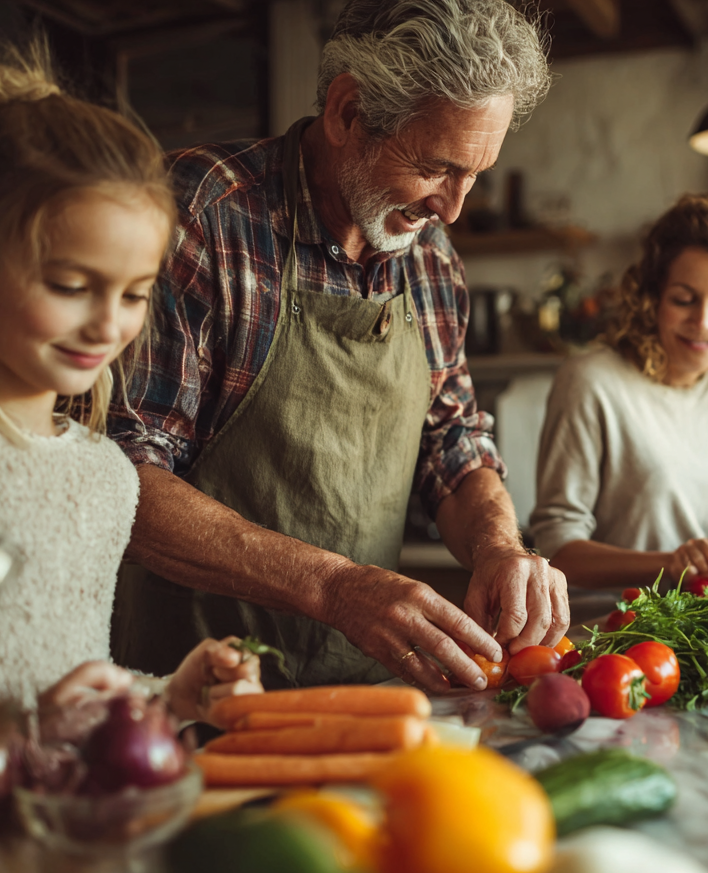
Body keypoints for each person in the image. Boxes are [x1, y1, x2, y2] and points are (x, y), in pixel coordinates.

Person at [108, 0, 568, 694]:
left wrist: (500, 546)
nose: (454, 209)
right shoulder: (202, 214)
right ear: (349, 112)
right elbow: (122, 478)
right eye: (438, 166)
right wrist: (333, 586)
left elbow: (452, 445)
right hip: (189, 689)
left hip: (364, 690)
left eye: (475, 174)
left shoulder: (432, 261)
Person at [0, 43, 260, 720]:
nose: (109, 325)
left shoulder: (107, 477)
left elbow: (79, 682)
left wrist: (168, 697)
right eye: (71, 286)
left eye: (135, 294)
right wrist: (17, 731)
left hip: (60, 825)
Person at [530, 191, 708, 590]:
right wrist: (670, 564)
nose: (703, 322)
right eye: (684, 299)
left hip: (701, 625)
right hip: (612, 633)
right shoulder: (590, 382)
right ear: (653, 297)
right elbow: (557, 552)